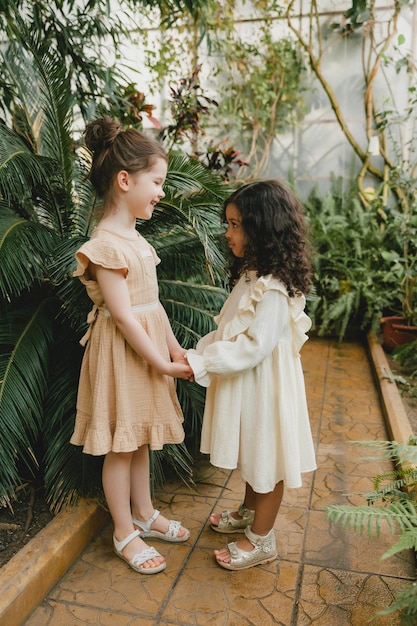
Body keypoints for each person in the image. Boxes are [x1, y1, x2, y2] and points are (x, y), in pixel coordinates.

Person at [70, 116, 193, 575]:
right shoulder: (106, 244)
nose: (162, 191)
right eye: (156, 181)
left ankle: (145, 512)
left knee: (140, 438)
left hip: (147, 351)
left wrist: (174, 349)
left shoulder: (136, 239)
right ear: (125, 180)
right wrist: (161, 362)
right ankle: (124, 529)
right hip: (124, 356)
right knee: (122, 445)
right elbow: (122, 315)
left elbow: (152, 306)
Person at [186, 179, 317, 571]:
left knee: (268, 460)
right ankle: (248, 509)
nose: (227, 233)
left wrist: (201, 364)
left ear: (261, 229)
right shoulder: (252, 276)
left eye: (235, 224)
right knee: (252, 451)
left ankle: (262, 539)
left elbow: (254, 346)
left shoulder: (273, 288)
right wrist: (196, 351)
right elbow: (231, 330)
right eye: (228, 223)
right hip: (252, 386)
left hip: (268, 389)